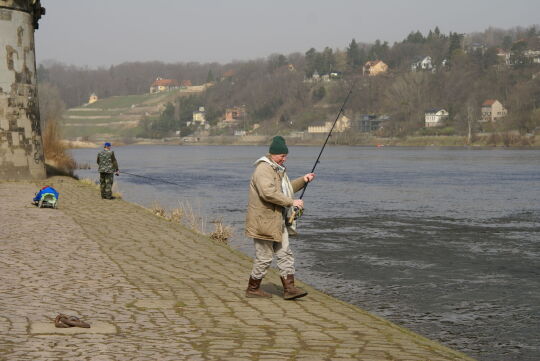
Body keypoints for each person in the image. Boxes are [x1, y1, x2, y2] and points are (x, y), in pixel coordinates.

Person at [245, 136, 315, 300]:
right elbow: (268, 193)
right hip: (263, 222)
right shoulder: (263, 169)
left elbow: (287, 189)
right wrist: (292, 202)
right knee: (264, 257)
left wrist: (304, 180)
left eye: (286, 156)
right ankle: (252, 288)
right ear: (272, 154)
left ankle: (289, 289)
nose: (285, 159)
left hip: (277, 221)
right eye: (282, 156)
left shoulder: (277, 169)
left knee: (285, 254)